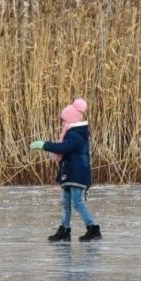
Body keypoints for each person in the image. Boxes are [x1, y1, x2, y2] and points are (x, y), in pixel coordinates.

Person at [30, 98, 102, 242]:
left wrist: (44, 145)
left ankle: (93, 228)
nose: (62, 123)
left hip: (77, 173)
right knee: (66, 202)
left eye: (65, 120)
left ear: (72, 119)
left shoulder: (75, 134)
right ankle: (65, 229)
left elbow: (64, 148)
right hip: (71, 172)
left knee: (77, 202)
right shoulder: (73, 132)